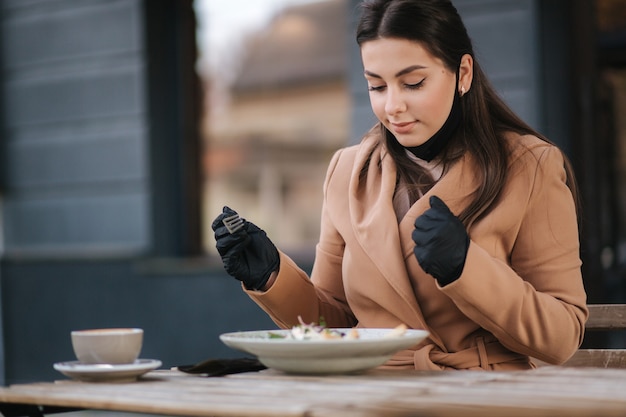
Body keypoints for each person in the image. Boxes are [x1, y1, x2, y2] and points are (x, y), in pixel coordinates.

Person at [211, 0, 588, 371]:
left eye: (412, 83)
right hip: (374, 393)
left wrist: (467, 268)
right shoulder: (346, 171)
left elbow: (561, 337)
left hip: (482, 395)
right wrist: (273, 275)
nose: (392, 106)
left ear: (464, 73)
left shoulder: (530, 165)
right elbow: (335, 326)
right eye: (377, 86)